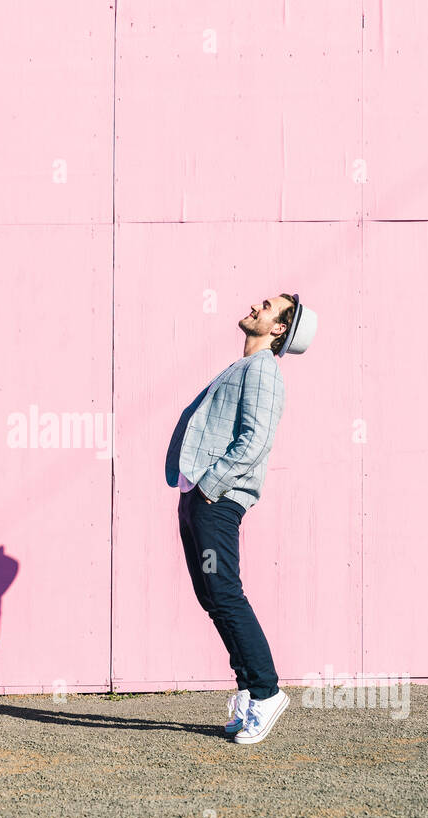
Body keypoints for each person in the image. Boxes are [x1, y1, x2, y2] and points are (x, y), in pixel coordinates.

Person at [164, 293, 318, 744]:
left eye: (268, 307)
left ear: (278, 330)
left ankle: (267, 692)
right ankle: (251, 691)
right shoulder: (244, 367)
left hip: (217, 498)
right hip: (199, 495)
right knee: (213, 596)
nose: (257, 305)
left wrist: (210, 488)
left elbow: (256, 440)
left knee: (225, 593)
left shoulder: (265, 371)